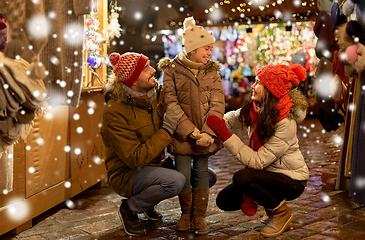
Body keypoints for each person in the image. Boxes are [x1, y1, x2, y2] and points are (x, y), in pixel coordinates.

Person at [207, 64, 310, 238]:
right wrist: (208, 124)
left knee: (242, 178)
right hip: (267, 175)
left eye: (258, 83)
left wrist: (226, 137)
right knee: (224, 200)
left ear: (271, 90)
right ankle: (271, 203)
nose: (252, 86)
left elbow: (257, 162)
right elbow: (231, 119)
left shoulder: (285, 122)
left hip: (291, 179)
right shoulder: (257, 109)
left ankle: (280, 213)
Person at [100, 52, 186, 237]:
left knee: (205, 176)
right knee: (175, 181)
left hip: (155, 165)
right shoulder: (114, 112)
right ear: (132, 81)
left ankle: (147, 203)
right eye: (146, 68)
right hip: (127, 174)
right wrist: (167, 130)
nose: (153, 70)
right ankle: (130, 208)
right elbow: (135, 158)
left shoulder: (156, 94)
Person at [158, 17, 225, 235]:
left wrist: (207, 132)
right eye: (206, 48)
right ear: (193, 48)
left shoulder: (212, 71)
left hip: (205, 134)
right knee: (183, 174)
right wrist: (191, 132)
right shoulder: (172, 70)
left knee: (202, 172)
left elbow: (217, 104)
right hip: (182, 135)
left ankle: (200, 216)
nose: (209, 53)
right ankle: (186, 213)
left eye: (211, 49)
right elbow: (171, 104)